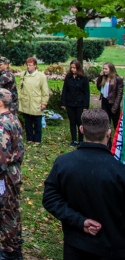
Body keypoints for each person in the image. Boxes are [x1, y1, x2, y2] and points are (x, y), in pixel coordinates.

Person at [43, 108, 125, 260]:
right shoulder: (119, 171)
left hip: (76, 247)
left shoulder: (64, 164)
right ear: (109, 132)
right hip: (112, 249)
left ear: (81, 129)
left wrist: (78, 220)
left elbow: (50, 198)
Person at [0, 88, 25, 260]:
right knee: (13, 210)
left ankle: (10, 252)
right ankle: (15, 247)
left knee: (4, 210)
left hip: (5, 174)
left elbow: (2, 154)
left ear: (0, 102)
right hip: (14, 172)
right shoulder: (14, 119)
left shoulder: (2, 124)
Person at [17, 57, 49, 144]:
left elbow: (45, 90)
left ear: (35, 66)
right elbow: (19, 87)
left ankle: (37, 139)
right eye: (27, 65)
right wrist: (19, 97)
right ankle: (29, 138)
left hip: (36, 102)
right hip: (26, 102)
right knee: (28, 122)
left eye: (30, 65)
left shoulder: (41, 76)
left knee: (37, 122)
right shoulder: (23, 74)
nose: (28, 67)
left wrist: (44, 103)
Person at [61, 60, 90, 147]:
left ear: (78, 68)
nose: (73, 69)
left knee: (80, 122)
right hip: (70, 103)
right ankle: (74, 139)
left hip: (80, 104)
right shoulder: (68, 77)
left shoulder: (84, 78)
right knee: (72, 122)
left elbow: (86, 93)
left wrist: (85, 105)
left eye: (74, 68)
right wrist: (63, 103)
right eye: (71, 68)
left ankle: (81, 140)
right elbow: (65, 90)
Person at [95, 63, 123, 129]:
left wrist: (115, 107)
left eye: (106, 69)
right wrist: (100, 76)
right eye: (103, 69)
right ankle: (107, 138)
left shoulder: (118, 79)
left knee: (116, 123)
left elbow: (119, 94)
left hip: (113, 102)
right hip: (104, 101)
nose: (104, 70)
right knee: (106, 122)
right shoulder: (104, 77)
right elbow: (99, 87)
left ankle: (117, 138)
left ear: (111, 69)